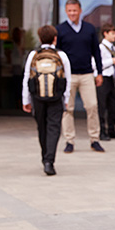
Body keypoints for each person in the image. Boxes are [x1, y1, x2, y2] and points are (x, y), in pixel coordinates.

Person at [56, 0, 105, 153]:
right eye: (69, 11)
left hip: (86, 74)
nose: (72, 13)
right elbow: (57, 55)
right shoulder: (60, 30)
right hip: (68, 76)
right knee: (67, 109)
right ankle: (69, 141)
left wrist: (100, 73)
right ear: (66, 11)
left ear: (80, 10)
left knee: (92, 106)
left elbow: (96, 52)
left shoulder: (89, 29)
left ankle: (94, 139)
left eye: (75, 10)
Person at [22, 25, 72, 176]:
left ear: (39, 38)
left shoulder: (33, 55)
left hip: (37, 97)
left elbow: (27, 78)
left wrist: (26, 99)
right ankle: (49, 161)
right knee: (54, 128)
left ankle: (45, 157)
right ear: (55, 39)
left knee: (42, 128)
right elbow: (68, 78)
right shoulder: (61, 55)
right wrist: (67, 98)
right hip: (56, 97)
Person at [96, 23, 115, 140]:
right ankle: (102, 131)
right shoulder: (100, 48)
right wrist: (112, 61)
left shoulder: (113, 48)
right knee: (102, 106)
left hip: (111, 78)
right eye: (112, 33)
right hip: (103, 79)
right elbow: (96, 65)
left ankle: (112, 129)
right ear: (105, 34)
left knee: (112, 105)